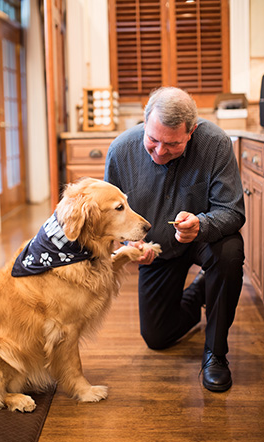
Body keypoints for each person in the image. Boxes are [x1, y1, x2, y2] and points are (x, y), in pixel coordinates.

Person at [104, 86, 245, 392]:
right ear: (145, 120)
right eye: (152, 140)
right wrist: (130, 244)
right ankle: (201, 291)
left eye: (172, 145)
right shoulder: (120, 151)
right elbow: (111, 220)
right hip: (157, 249)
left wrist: (202, 224)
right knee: (156, 338)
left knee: (231, 251)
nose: (158, 151)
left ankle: (216, 354)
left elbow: (232, 212)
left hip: (203, 239)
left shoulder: (216, 144)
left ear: (191, 131)